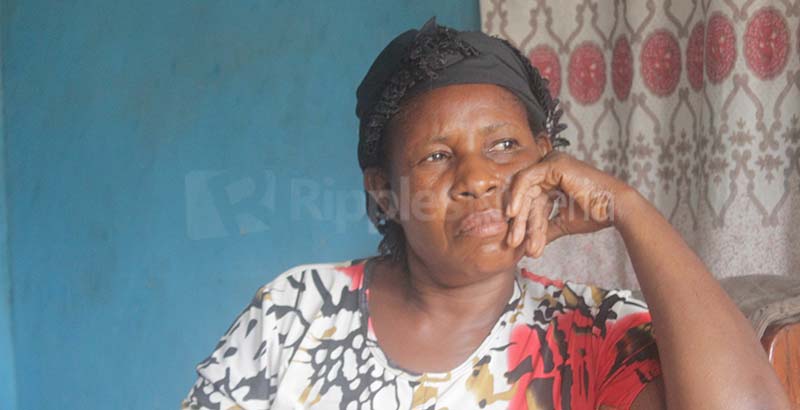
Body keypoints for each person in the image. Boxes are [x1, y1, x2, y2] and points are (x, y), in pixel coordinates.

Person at [182, 18, 789, 410]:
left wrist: (627, 208)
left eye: (504, 146)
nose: (476, 178)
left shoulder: (595, 333)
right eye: (437, 156)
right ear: (386, 192)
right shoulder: (296, 312)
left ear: (547, 163)